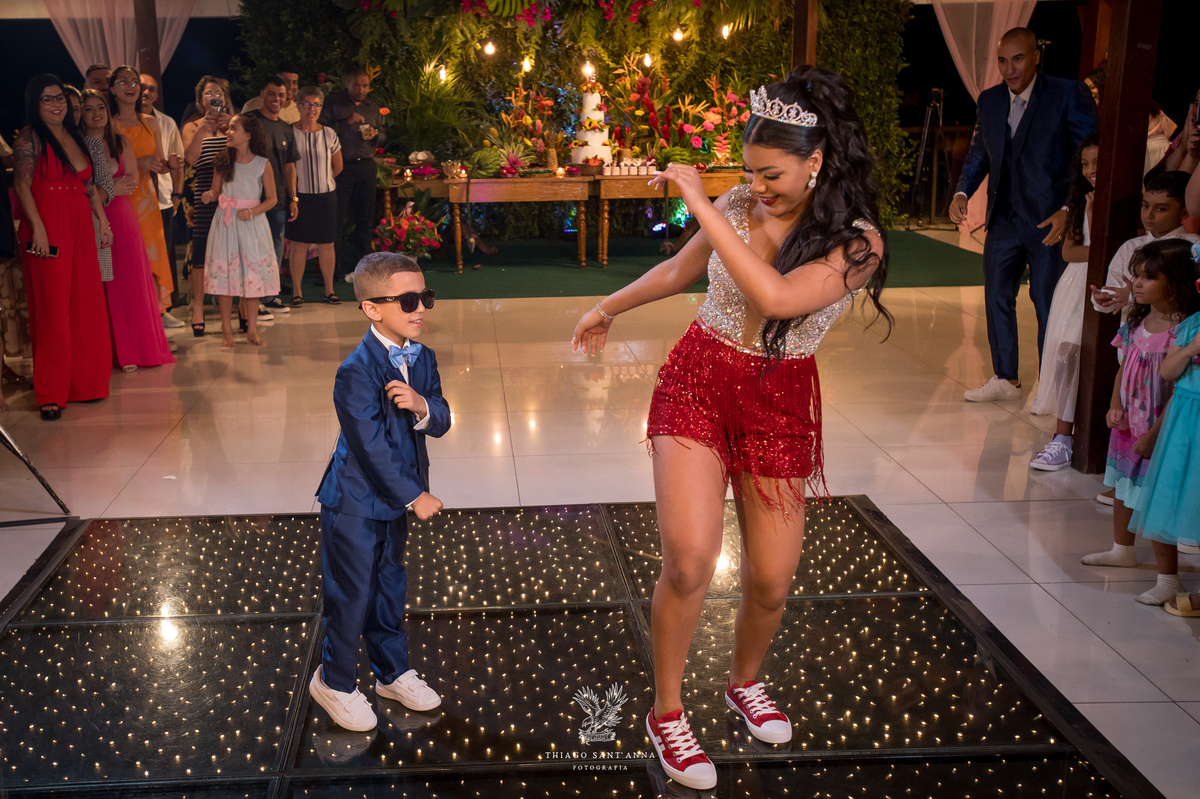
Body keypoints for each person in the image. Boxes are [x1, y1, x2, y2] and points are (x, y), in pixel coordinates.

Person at [572, 66, 889, 791]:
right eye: (749, 173)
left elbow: (776, 296)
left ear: (818, 161)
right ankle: (668, 711)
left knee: (772, 581)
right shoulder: (741, 199)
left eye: (771, 174)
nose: (758, 187)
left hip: (779, 397)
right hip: (699, 377)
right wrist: (608, 305)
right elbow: (684, 270)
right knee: (688, 558)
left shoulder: (858, 244)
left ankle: (744, 682)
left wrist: (699, 200)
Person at [310, 251, 449, 732]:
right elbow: (369, 447)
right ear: (372, 308)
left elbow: (443, 418)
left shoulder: (422, 357)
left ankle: (391, 672)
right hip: (353, 502)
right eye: (409, 300)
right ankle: (335, 682)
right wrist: (415, 495)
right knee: (351, 594)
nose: (421, 309)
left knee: (389, 587)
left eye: (425, 297)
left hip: (392, 503)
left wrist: (422, 404)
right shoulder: (355, 371)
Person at [949, 27, 1098, 402]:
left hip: (1050, 219)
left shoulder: (1067, 94)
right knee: (997, 294)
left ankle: (1051, 386)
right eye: (1002, 60)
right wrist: (963, 190)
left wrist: (1069, 210)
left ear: (1035, 57)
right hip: (1003, 218)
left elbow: (1091, 155)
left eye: (1017, 58)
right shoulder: (990, 100)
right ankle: (1005, 378)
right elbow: (980, 153)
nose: (1009, 68)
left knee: (1047, 300)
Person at [1081, 240, 1200, 605]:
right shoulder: (1138, 319)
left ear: (1176, 281)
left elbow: (1181, 390)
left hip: (1159, 428)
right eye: (1136, 276)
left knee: (1154, 496)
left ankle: (1168, 576)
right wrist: (1114, 404)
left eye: (1149, 277)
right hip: (1130, 422)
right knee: (1122, 485)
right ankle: (1123, 548)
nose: (1137, 283)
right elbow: (1124, 368)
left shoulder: (1184, 328)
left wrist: (1153, 434)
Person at [11, 74, 113, 420]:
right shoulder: (29, 137)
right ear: (35, 104)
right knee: (53, 310)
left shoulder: (75, 137)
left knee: (85, 304)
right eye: (47, 99)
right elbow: (22, 185)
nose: (56, 105)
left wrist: (102, 219)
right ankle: (51, 393)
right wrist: (37, 227)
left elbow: (87, 187)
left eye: (59, 98)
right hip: (47, 225)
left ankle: (85, 384)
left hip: (81, 224)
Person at [1129, 245, 1200, 618]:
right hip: (1183, 420)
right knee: (1167, 493)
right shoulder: (1190, 326)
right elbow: (1169, 373)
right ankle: (1167, 579)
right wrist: (1190, 348)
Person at [81, 89, 174, 373]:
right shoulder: (77, 145)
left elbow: (132, 178)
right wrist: (109, 188)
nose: (96, 114)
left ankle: (137, 349)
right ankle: (110, 351)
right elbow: (84, 188)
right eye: (89, 109)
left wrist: (108, 189)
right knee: (102, 285)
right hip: (92, 217)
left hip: (122, 216)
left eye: (101, 108)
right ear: (80, 114)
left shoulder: (120, 142)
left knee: (131, 281)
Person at [1029, 136, 1099, 470]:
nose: (1091, 171)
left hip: (1105, 280)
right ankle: (1062, 437)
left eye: (1097, 163)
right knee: (1067, 353)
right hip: (1076, 284)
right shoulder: (1079, 200)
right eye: (1085, 165)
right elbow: (1070, 251)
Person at [200, 114, 279, 348]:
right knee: (225, 276)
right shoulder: (223, 161)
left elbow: (272, 199)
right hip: (225, 224)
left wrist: (253, 212)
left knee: (251, 277)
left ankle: (252, 330)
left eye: (234, 128)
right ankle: (226, 330)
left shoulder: (262, 164)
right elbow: (215, 191)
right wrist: (210, 195)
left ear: (248, 135)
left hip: (251, 224)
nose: (228, 132)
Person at [109, 65, 179, 318]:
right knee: (128, 261)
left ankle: (152, 321)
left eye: (134, 82)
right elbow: (105, 165)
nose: (130, 87)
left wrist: (170, 164)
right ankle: (132, 319)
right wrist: (137, 163)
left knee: (151, 261)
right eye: (123, 82)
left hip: (149, 201)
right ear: (112, 88)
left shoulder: (151, 122)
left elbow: (158, 164)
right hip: (121, 198)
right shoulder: (109, 123)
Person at [1090, 171, 1198, 317]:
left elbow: (1189, 295)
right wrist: (1103, 299)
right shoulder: (1130, 247)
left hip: (1176, 331)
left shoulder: (1193, 247)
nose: (1149, 215)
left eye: (1161, 209)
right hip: (1134, 333)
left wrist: (1131, 296)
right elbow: (1114, 291)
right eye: (1145, 206)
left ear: (1184, 213)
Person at [320, 67, 385, 273]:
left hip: (366, 165)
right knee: (336, 217)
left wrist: (375, 134)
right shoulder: (334, 103)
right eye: (356, 85)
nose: (361, 90)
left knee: (365, 218)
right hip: (342, 166)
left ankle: (363, 265)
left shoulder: (371, 106)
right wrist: (346, 122)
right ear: (347, 84)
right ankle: (334, 266)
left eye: (365, 86)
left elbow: (383, 134)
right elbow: (321, 130)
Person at [182, 76, 232, 336]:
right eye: (209, 93)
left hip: (232, 191)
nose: (215, 97)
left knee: (232, 251)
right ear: (200, 100)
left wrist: (229, 130)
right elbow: (190, 159)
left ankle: (240, 312)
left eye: (219, 93)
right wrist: (203, 129)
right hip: (203, 192)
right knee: (200, 252)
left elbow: (246, 153)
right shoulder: (192, 126)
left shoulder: (233, 124)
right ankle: (198, 308)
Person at [246, 75, 299, 313]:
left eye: (281, 94)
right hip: (252, 200)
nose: (276, 99)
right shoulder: (250, 122)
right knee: (252, 248)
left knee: (275, 248)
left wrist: (294, 197)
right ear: (262, 95)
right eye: (271, 94)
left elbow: (289, 167)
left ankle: (268, 297)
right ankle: (251, 299)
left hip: (277, 200)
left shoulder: (286, 129)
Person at [287, 86, 343, 306]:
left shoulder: (329, 133)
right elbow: (287, 167)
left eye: (316, 105)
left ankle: (329, 290)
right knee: (298, 244)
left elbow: (337, 166)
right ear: (299, 106)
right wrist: (293, 197)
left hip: (325, 196)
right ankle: (297, 292)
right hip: (299, 196)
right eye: (307, 104)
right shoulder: (289, 133)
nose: (312, 109)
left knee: (326, 244)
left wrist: (322, 181)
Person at [140, 72, 186, 327]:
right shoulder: (119, 122)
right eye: (142, 87)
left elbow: (176, 161)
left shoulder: (166, 122)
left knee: (163, 257)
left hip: (164, 199)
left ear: (157, 95)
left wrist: (177, 194)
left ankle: (161, 310)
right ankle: (144, 309)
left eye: (151, 89)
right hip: (135, 200)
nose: (146, 93)